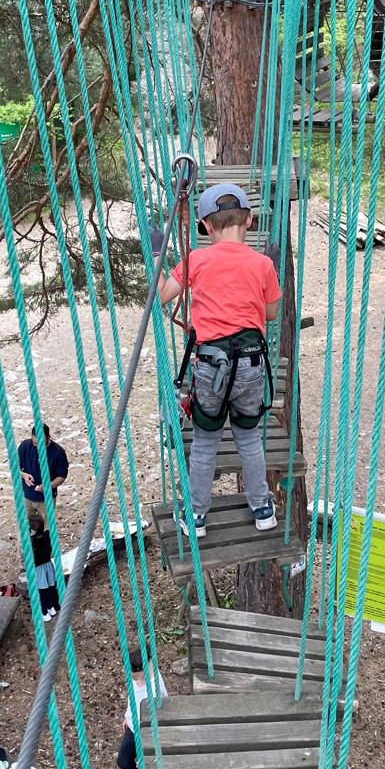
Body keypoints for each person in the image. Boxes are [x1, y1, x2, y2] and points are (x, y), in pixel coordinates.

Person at [157, 182, 280, 537]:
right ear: (250, 220)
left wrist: (156, 256)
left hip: (210, 366)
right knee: (249, 439)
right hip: (251, 366)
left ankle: (196, 515)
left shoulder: (196, 259)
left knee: (206, 442)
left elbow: (164, 296)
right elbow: (271, 313)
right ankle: (261, 508)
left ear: (207, 226)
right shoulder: (262, 264)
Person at [115, 648, 168, 769]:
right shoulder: (135, 678)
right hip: (133, 727)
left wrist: (150, 672)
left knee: (151, 764)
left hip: (147, 731)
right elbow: (133, 700)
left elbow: (160, 708)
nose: (132, 676)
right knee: (123, 761)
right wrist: (127, 716)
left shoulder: (155, 686)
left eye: (135, 673)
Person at [17, 423, 69, 512]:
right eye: (35, 443)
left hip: (47, 499)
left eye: (42, 444)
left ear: (49, 437)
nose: (38, 447)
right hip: (26, 496)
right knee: (28, 525)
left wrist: (48, 486)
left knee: (47, 525)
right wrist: (23, 475)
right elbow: (14, 468)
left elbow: (61, 477)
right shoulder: (24, 446)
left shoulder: (58, 452)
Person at [29, 511, 59, 621]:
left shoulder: (33, 543)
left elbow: (31, 558)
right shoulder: (47, 535)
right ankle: (52, 607)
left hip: (39, 569)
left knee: (41, 591)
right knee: (50, 588)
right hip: (48, 566)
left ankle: (44, 612)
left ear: (32, 531)